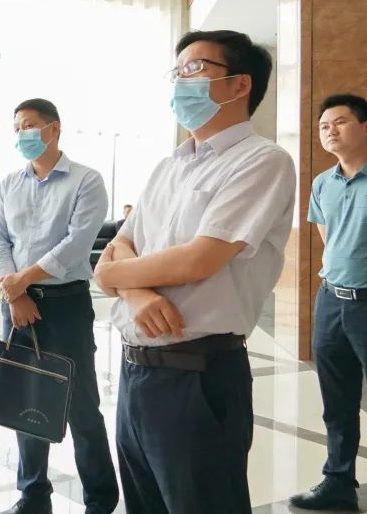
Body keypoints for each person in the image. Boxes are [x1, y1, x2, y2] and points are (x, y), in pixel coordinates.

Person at [93, 30, 295, 514]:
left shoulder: (262, 160)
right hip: (136, 371)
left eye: (194, 68)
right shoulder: (170, 166)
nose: (180, 80)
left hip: (199, 374)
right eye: (177, 70)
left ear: (240, 84)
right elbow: (115, 251)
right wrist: (138, 295)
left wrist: (118, 277)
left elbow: (199, 259)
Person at [0, 98, 119, 514]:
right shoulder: (9, 184)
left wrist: (23, 281)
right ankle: (32, 495)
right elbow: (0, 241)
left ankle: (100, 499)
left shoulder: (86, 180)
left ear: (54, 129)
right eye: (17, 128)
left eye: (29, 125)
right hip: (16, 303)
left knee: (80, 404)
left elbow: (76, 244)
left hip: (65, 304)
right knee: (26, 399)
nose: (22, 134)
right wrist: (15, 293)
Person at [289, 93, 367, 512]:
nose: (330, 130)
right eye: (324, 125)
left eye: (339, 122)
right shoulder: (322, 183)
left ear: (366, 127)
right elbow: (329, 240)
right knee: (337, 401)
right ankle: (338, 481)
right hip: (332, 301)